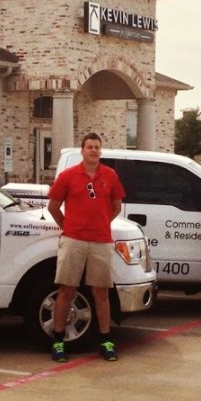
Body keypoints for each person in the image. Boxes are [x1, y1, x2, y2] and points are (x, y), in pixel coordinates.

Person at [46, 132, 125, 362]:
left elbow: (116, 206)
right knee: (66, 291)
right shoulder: (69, 176)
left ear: (101, 151)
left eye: (97, 147)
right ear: (82, 150)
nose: (93, 151)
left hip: (101, 241)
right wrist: (68, 226)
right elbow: (53, 206)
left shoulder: (110, 176)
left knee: (101, 292)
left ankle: (106, 341)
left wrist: (100, 224)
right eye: (89, 147)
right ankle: (59, 341)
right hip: (73, 240)